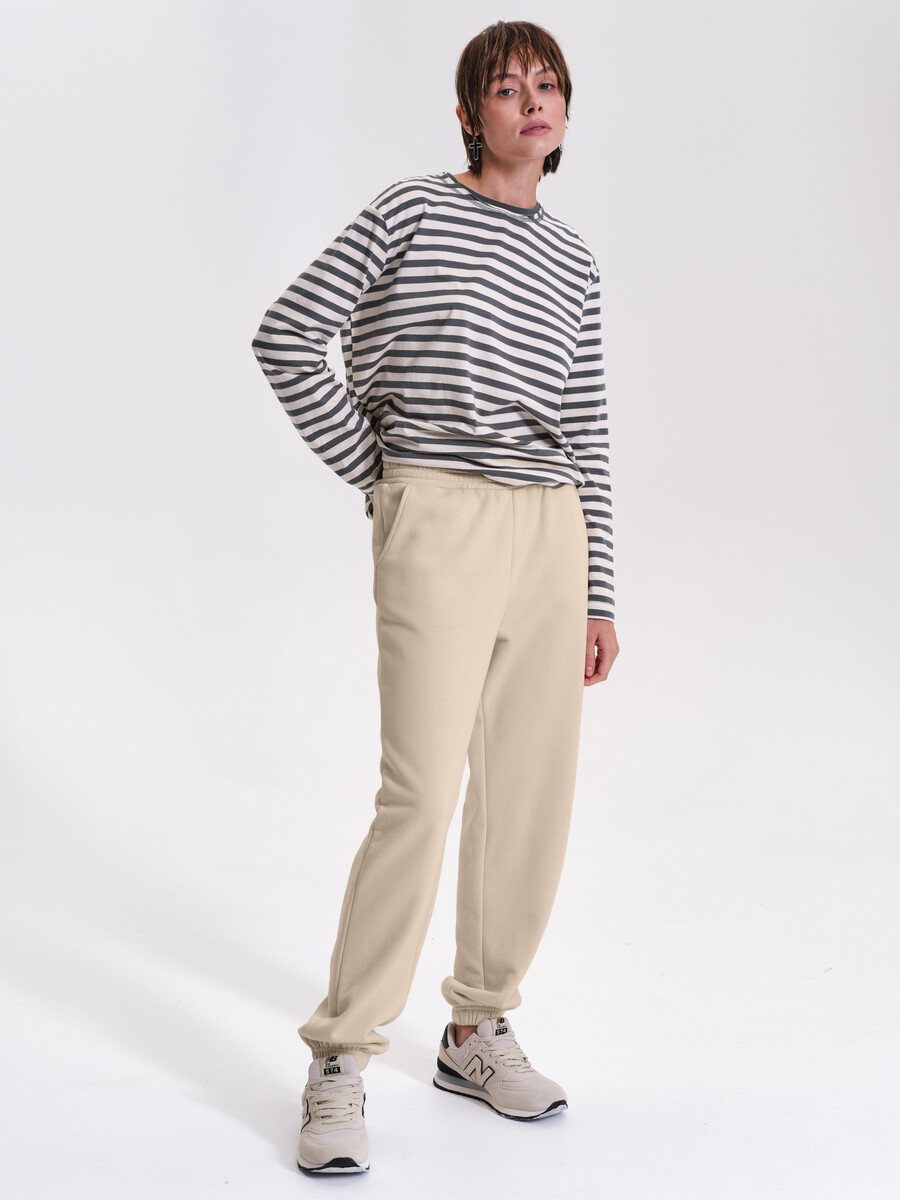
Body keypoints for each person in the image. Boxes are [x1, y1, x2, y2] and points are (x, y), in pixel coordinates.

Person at [251, 19, 619, 1175]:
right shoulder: (411, 211)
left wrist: (600, 589)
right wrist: (381, 472)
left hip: (550, 529)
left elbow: (589, 430)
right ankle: (341, 1056)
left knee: (530, 794)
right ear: (470, 114)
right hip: (438, 515)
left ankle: (476, 1028)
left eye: (548, 84)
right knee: (419, 793)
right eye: (507, 88)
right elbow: (287, 336)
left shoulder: (574, 261)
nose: (532, 100)